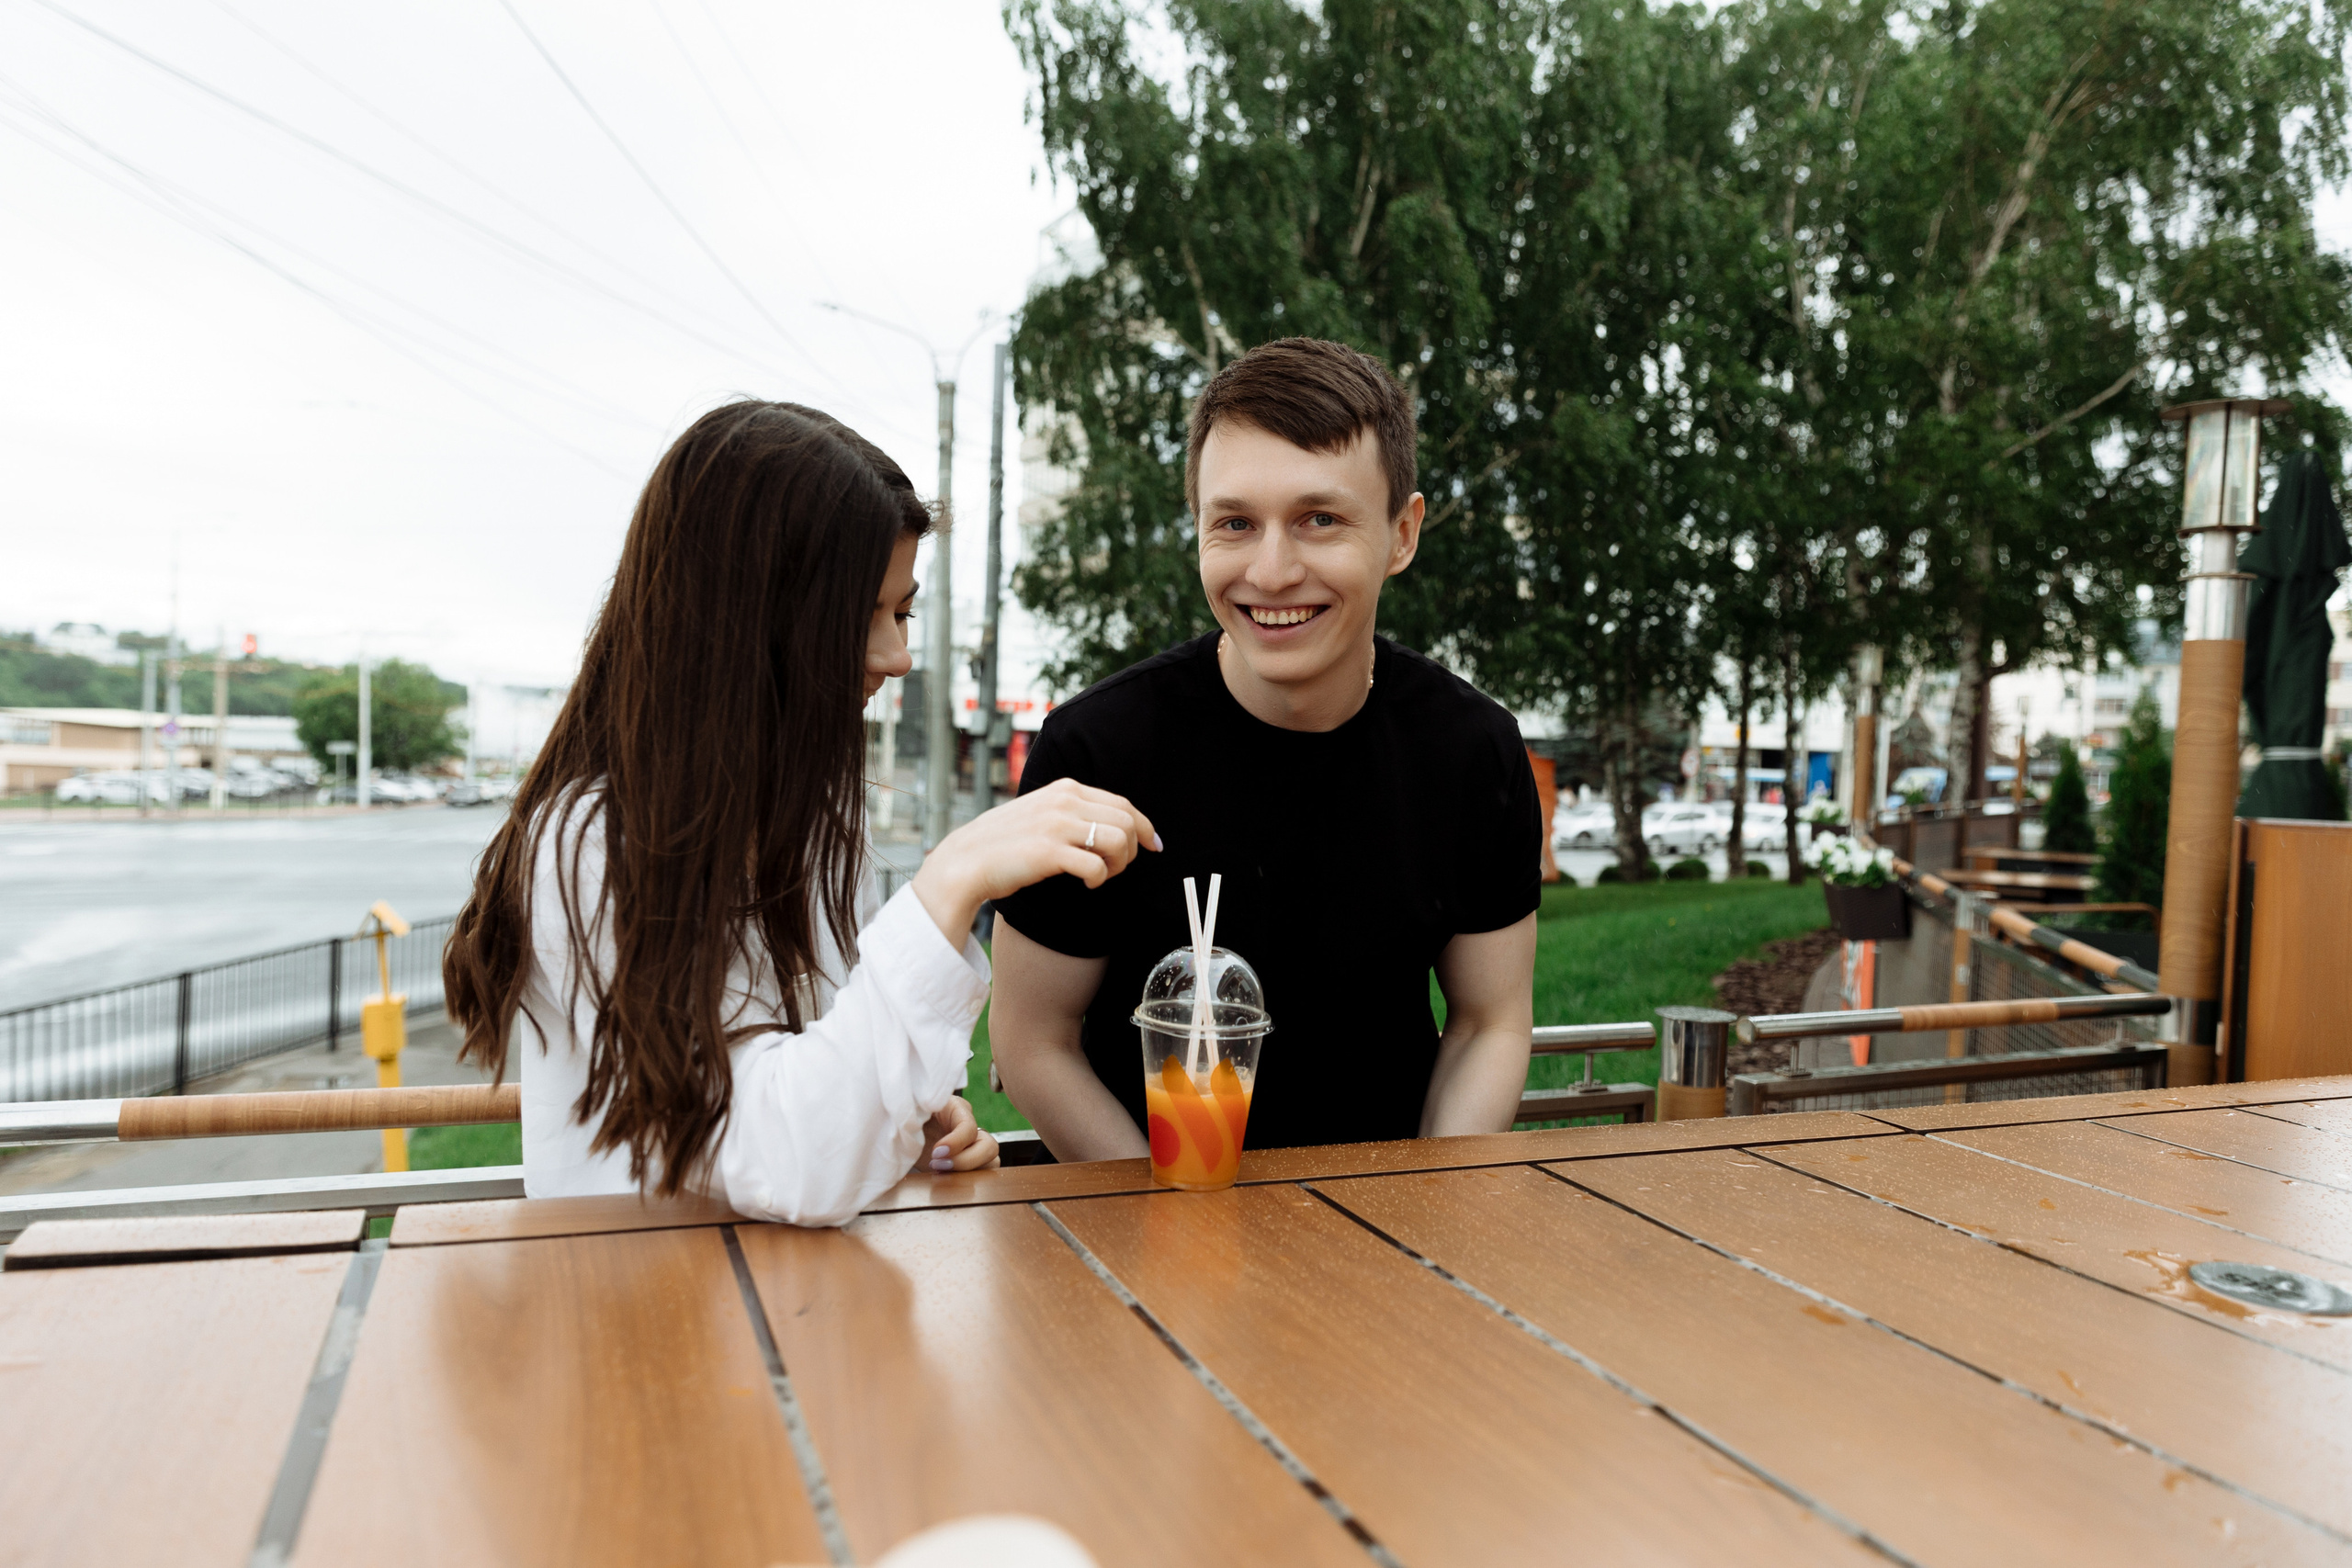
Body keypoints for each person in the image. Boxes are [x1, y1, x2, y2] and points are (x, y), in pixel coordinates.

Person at [442, 400, 1158, 1225]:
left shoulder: (791, 820)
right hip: (640, 1327)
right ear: (754, 621)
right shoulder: (594, 844)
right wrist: (950, 882)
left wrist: (907, 1126)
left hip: (778, 1316)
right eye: (863, 618)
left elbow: (813, 1099)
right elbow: (785, 1161)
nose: (896, 656)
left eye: (903, 611)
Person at [989, 338, 1539, 1158]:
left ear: (1402, 532)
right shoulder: (1098, 749)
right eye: (1235, 524)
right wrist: (1169, 1224)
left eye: (1319, 519)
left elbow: (1488, 1023)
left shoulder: (1473, 751)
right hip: (1146, 1227)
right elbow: (1032, 1042)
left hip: (1386, 1224)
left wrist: (1434, 1206)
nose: (1272, 570)